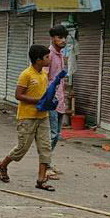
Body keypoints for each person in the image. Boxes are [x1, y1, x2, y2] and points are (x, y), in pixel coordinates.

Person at [0, 44, 55, 192]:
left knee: (45, 148)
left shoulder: (44, 75)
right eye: (47, 57)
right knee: (22, 147)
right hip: (27, 117)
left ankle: (41, 180)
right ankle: (2, 164)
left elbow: (45, 94)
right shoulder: (26, 74)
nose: (49, 59)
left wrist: (49, 101)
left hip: (43, 117)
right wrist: (38, 101)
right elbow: (18, 95)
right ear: (38, 59)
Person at [47, 25, 69, 179]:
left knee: (57, 133)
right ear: (53, 38)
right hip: (52, 99)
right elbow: (45, 78)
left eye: (64, 37)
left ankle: (47, 162)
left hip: (60, 98)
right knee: (52, 134)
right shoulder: (49, 55)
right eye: (60, 37)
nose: (63, 40)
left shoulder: (60, 55)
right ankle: (45, 165)